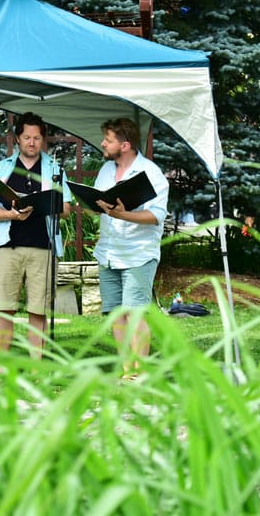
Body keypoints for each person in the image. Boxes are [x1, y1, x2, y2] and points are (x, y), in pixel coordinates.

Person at [0, 112, 72, 375]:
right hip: (8, 246)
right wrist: (11, 214)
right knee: (4, 308)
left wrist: (45, 206)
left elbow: (65, 208)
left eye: (36, 138)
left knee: (38, 310)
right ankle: (0, 369)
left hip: (43, 246)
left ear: (43, 140)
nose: (31, 143)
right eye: (26, 137)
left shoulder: (54, 169)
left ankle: (36, 370)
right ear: (18, 139)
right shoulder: (2, 168)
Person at [92, 118, 169, 379]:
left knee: (135, 313)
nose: (103, 143)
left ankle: (140, 372)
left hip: (138, 253)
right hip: (109, 252)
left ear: (124, 145)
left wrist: (124, 216)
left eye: (108, 140)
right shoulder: (105, 170)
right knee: (115, 313)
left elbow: (157, 215)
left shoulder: (151, 173)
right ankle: (127, 370)